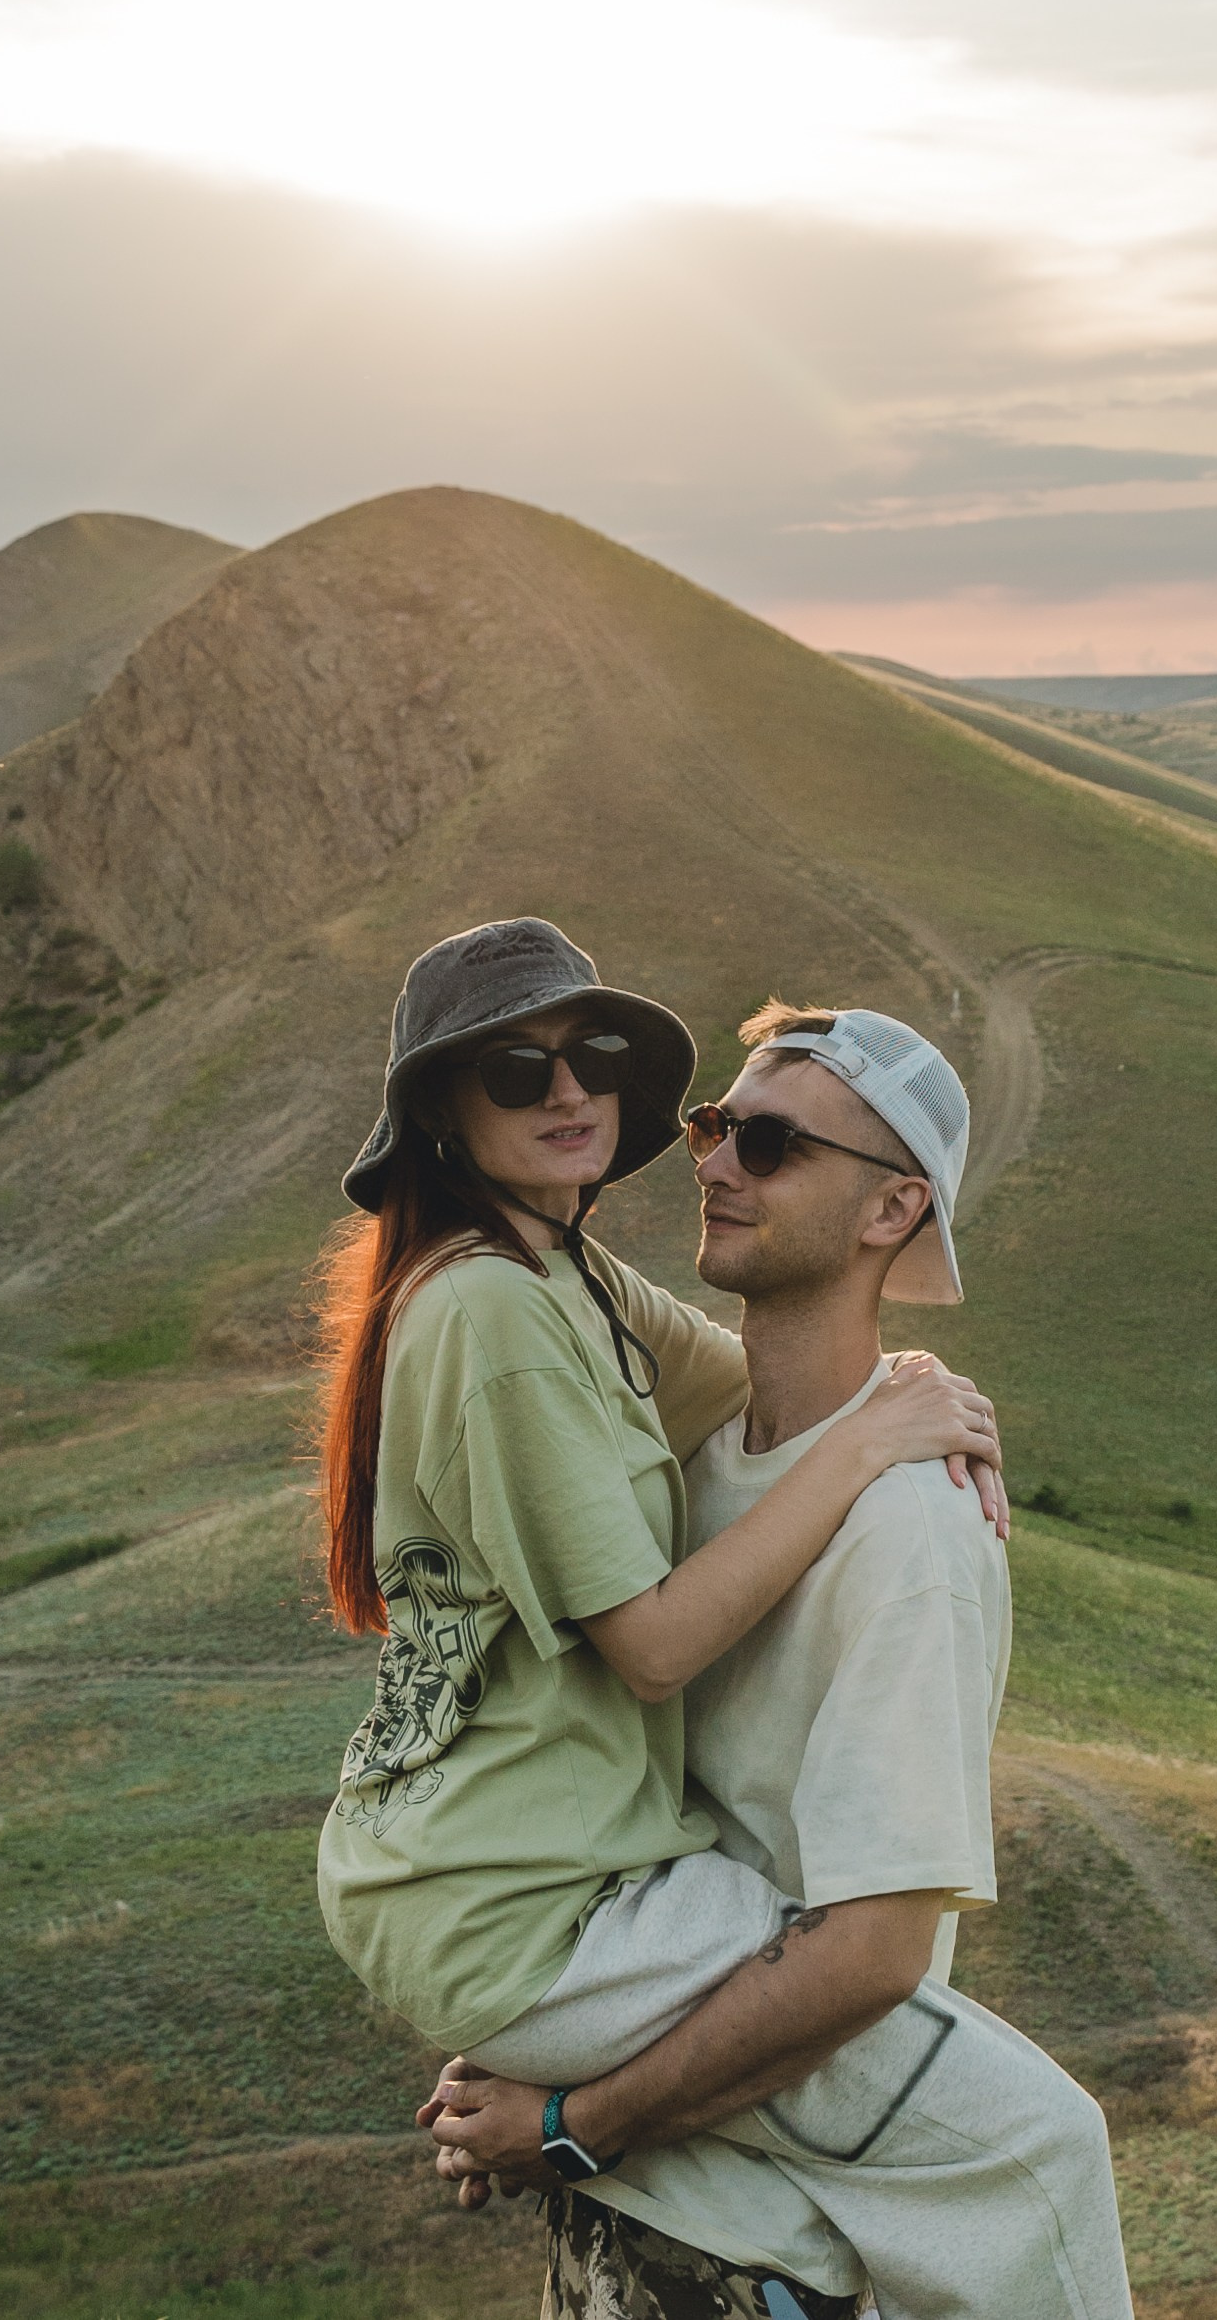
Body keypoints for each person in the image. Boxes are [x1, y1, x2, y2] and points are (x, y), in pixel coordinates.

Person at [315, 918, 1005, 2306]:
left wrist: (905, 1388)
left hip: (492, 1870)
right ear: (441, 1115)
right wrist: (877, 1445)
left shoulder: (569, 1278)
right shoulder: (492, 1312)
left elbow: (751, 1387)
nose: (568, 1093)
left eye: (595, 1061)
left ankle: (600, 2132)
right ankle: (586, 2136)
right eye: (514, 1072)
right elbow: (652, 1649)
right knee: (1027, 2132)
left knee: (810, 2051)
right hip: (525, 1890)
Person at [421, 997, 1135, 2320]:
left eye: (771, 1144)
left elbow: (870, 1956)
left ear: (889, 1213)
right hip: (626, 2215)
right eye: (712, 1126)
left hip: (745, 2265)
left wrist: (573, 2118)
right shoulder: (692, 1462)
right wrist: (525, 2048)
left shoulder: (911, 1533)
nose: (713, 1164)